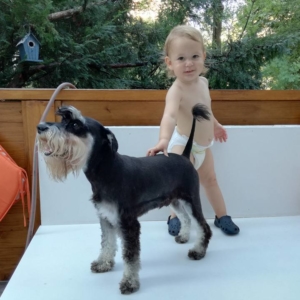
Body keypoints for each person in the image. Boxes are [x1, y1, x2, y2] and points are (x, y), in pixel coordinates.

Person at [147, 25, 239, 236]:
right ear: (170, 63)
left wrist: (215, 125)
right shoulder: (176, 91)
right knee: (178, 184)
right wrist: (163, 140)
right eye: (181, 58)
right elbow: (169, 116)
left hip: (204, 147)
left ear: (203, 57)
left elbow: (205, 109)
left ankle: (221, 216)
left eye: (194, 56)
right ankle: (174, 216)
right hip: (183, 143)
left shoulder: (204, 83)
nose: (188, 63)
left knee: (210, 180)